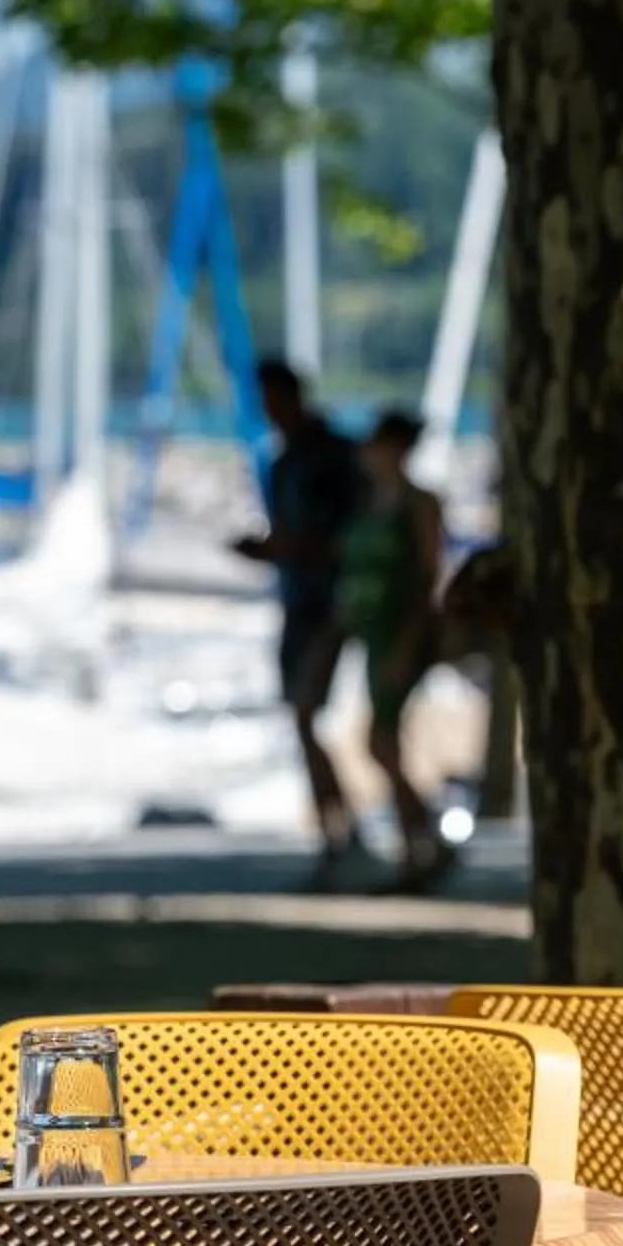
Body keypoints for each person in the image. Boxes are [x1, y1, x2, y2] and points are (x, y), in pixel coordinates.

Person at [233, 359, 368, 882]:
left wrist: (284, 548)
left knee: (308, 711)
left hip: (330, 602)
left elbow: (345, 536)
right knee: (302, 716)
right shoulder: (285, 460)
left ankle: (345, 832)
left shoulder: (330, 456)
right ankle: (336, 831)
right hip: (299, 600)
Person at [342, 409, 452, 889]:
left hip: (403, 636)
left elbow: (429, 578)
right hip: (372, 633)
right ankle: (422, 842)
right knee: (382, 742)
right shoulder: (368, 502)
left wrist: (409, 642)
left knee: (380, 741)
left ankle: (422, 844)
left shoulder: (419, 503)